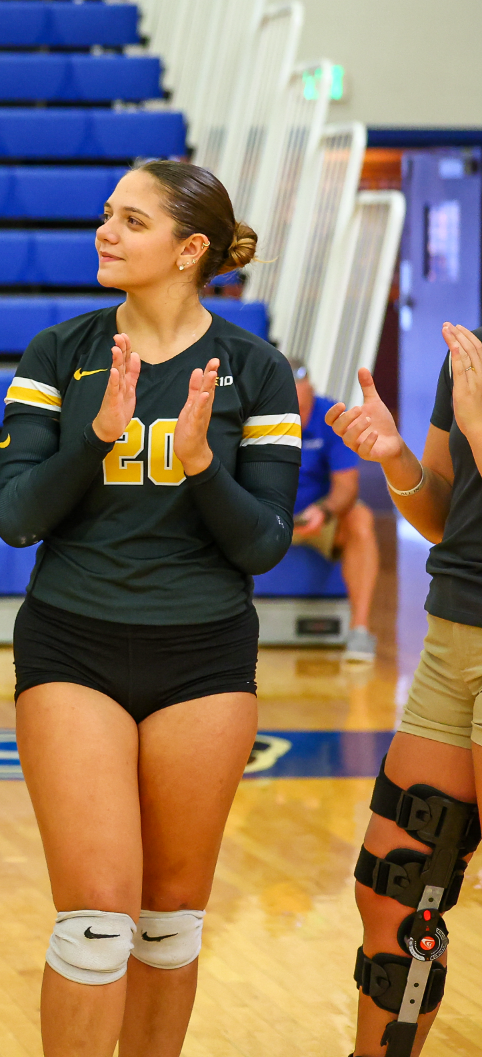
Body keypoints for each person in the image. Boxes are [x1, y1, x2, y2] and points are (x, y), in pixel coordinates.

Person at [0, 160, 299, 1056]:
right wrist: (97, 436)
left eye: (132, 220)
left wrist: (203, 463)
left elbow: (263, 544)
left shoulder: (255, 368)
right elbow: (14, 517)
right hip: (72, 644)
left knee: (168, 922)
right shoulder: (61, 351)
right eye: (106, 216)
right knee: (93, 922)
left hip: (203, 658)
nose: (106, 232)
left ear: (189, 249)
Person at [325, 327, 482, 1057]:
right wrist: (397, 460)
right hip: (454, 631)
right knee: (398, 889)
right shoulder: (472, 355)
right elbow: (447, 515)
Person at [286, 357, 379, 661]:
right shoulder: (255, 415)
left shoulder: (331, 417)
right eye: (290, 410)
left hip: (317, 518)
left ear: (311, 392)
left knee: (360, 517)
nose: (297, 420)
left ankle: (360, 631)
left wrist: (324, 511)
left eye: (301, 410)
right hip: (266, 518)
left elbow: (347, 486)